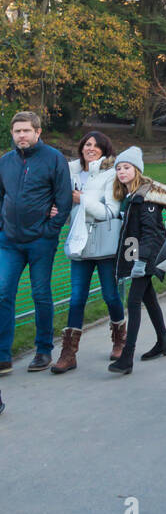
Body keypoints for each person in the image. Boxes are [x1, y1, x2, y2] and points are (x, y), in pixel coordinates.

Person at [0, 110, 73, 373]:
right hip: (8, 241)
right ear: (12, 133)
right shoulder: (5, 161)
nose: (21, 135)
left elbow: (64, 201)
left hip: (40, 240)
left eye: (26, 130)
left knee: (40, 294)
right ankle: (3, 356)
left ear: (37, 132)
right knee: (3, 292)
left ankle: (43, 350)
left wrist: (49, 230)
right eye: (17, 131)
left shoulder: (54, 159)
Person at [52, 131, 126, 374]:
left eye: (96, 145)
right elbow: (62, 204)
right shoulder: (70, 172)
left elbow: (110, 212)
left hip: (103, 243)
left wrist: (82, 199)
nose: (90, 148)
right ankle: (69, 353)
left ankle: (120, 339)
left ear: (104, 150)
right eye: (86, 144)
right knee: (76, 298)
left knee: (110, 295)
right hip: (80, 243)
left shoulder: (110, 174)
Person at [107, 148, 166, 374]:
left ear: (137, 170)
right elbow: (131, 233)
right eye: (118, 168)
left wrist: (141, 261)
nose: (121, 172)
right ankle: (163, 341)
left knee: (133, 302)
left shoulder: (145, 197)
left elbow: (151, 232)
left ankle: (127, 357)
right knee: (149, 298)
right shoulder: (129, 197)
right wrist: (131, 259)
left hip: (147, 256)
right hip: (137, 255)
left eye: (126, 167)